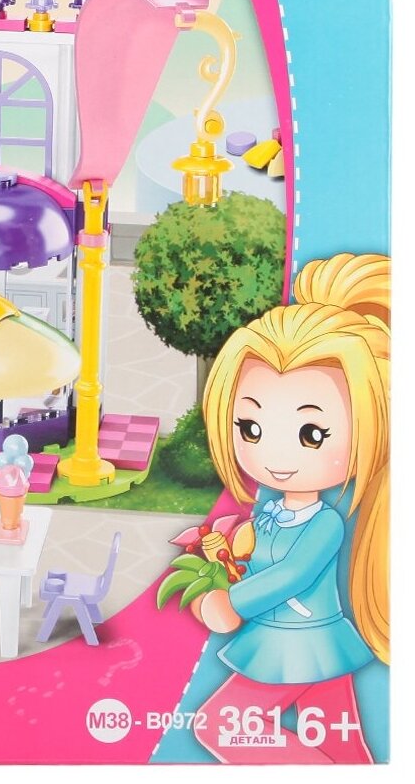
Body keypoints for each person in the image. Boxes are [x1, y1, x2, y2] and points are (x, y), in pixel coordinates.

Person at [191, 253, 388, 764]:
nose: (276, 457)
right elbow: (260, 557)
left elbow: (293, 574)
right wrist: (226, 560)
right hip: (298, 640)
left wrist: (235, 603)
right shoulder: (269, 510)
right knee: (342, 747)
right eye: (251, 428)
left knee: (222, 725)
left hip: (298, 640)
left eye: (311, 433)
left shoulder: (326, 523)